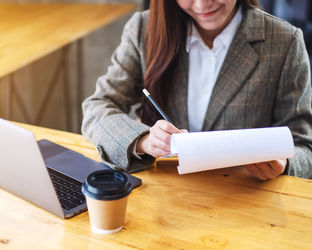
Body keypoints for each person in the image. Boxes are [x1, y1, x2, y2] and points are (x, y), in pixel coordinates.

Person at [82, 0, 312, 180]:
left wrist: (284, 164)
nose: (202, 5)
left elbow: (304, 148)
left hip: (243, 203)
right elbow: (98, 107)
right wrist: (143, 140)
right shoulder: (144, 29)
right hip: (163, 199)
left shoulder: (284, 42)